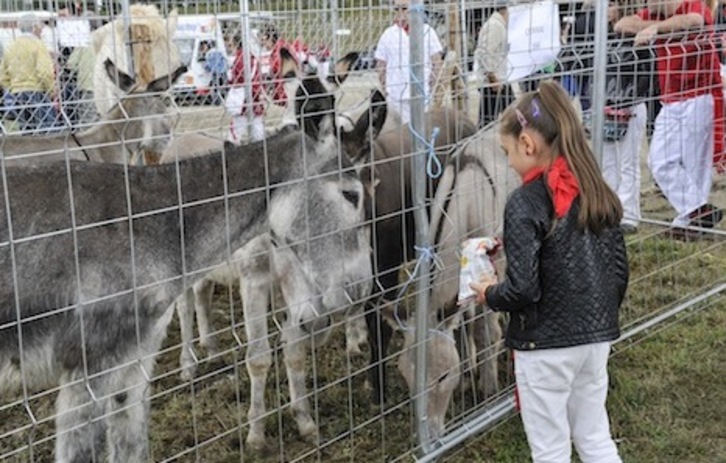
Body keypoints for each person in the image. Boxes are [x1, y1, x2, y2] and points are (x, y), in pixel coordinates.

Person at [469, 81, 628, 463]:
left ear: (527, 144)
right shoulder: (596, 189)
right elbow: (618, 270)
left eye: (506, 152)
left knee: (550, 450)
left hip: (545, 348)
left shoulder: (524, 201)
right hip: (595, 340)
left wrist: (490, 293)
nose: (507, 162)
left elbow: (522, 289)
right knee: (594, 435)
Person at [615, 0, 724, 239]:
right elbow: (622, 24)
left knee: (696, 165)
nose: (647, 4)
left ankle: (689, 222)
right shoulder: (655, 13)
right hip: (672, 99)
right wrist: (654, 25)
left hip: (698, 96)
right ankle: (697, 211)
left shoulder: (693, 6)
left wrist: (656, 29)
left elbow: (694, 21)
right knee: (660, 161)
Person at [374, 0, 443, 125]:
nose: (401, 13)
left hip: (422, 94)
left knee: (421, 128)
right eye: (396, 9)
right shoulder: (388, 34)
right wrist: (386, 88)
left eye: (404, 8)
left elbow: (437, 62)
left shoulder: (428, 31)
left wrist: (431, 84)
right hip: (396, 97)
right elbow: (381, 64)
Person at [0, 13, 62, 134]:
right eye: (40, 25)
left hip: (18, 94)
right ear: (34, 27)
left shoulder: (11, 47)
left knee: (27, 131)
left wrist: (13, 87)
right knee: (49, 132)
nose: (42, 29)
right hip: (37, 91)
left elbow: (2, 75)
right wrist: (52, 91)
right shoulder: (38, 45)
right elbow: (44, 72)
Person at [475, 0, 514, 127]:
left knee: (512, 115)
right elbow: (484, 53)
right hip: (494, 82)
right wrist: (493, 78)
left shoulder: (498, 25)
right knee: (489, 121)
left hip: (498, 80)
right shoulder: (495, 26)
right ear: (506, 10)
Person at [225, 33, 266, 143]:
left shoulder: (241, 59)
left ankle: (231, 148)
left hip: (243, 98)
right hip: (251, 96)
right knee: (257, 127)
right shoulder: (249, 58)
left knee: (236, 130)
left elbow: (233, 79)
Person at [201, 40, 228, 106]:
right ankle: (224, 100)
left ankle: (217, 102)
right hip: (223, 71)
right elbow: (226, 61)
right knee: (224, 87)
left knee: (215, 88)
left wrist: (205, 67)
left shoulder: (209, 53)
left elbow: (208, 65)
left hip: (215, 72)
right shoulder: (220, 51)